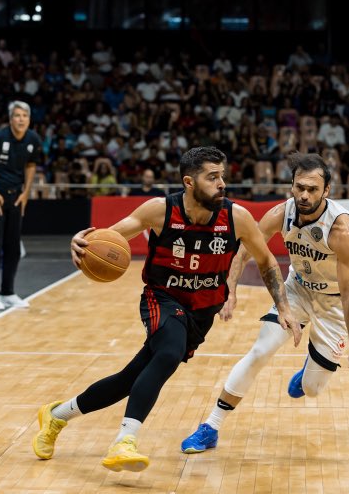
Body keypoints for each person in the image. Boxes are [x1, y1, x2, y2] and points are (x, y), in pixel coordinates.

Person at [32, 146, 302, 473]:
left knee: (129, 380)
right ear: (189, 182)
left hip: (202, 311)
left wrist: (283, 306)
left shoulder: (236, 217)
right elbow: (109, 237)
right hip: (162, 298)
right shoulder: (160, 210)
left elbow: (267, 261)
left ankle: (57, 415)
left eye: (222, 176)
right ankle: (124, 441)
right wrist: (82, 241)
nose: (221, 184)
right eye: (212, 177)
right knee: (169, 352)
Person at [180, 153, 349, 453]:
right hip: (297, 290)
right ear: (292, 185)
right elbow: (244, 251)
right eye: (299, 187)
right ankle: (211, 426)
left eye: (313, 189)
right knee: (260, 351)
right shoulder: (281, 213)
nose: (304, 195)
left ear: (327, 191)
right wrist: (232, 288)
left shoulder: (343, 229)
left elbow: (348, 295)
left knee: (311, 389)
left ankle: (309, 370)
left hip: (335, 303)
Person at [0, 100, 42, 311]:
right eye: (17, 115)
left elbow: (31, 164)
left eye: (25, 116)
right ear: (10, 118)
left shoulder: (33, 138)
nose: (21, 119)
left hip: (16, 197)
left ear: (29, 119)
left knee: (13, 247)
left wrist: (26, 192)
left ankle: (8, 292)